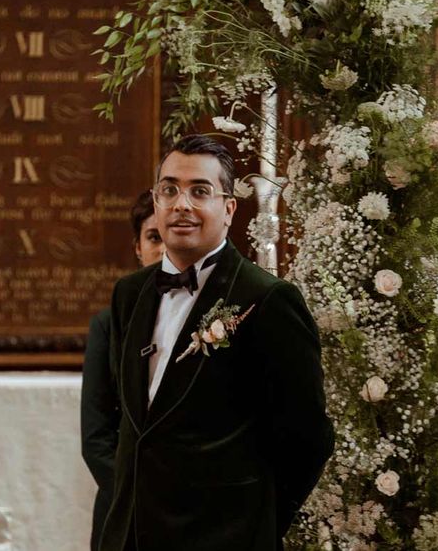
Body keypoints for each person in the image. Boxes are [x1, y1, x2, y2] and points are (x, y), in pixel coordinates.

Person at [99, 134, 334, 551]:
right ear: (155, 203)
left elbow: (308, 436)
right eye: (169, 190)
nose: (181, 204)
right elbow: (134, 424)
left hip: (224, 537)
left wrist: (254, 524)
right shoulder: (128, 295)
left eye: (199, 191)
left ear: (228, 210)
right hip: (130, 535)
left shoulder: (267, 299)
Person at [81, 191, 164, 551]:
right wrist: (136, 498)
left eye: (167, 235)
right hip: (124, 511)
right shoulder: (107, 324)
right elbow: (96, 436)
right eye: (153, 237)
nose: (162, 248)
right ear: (137, 247)